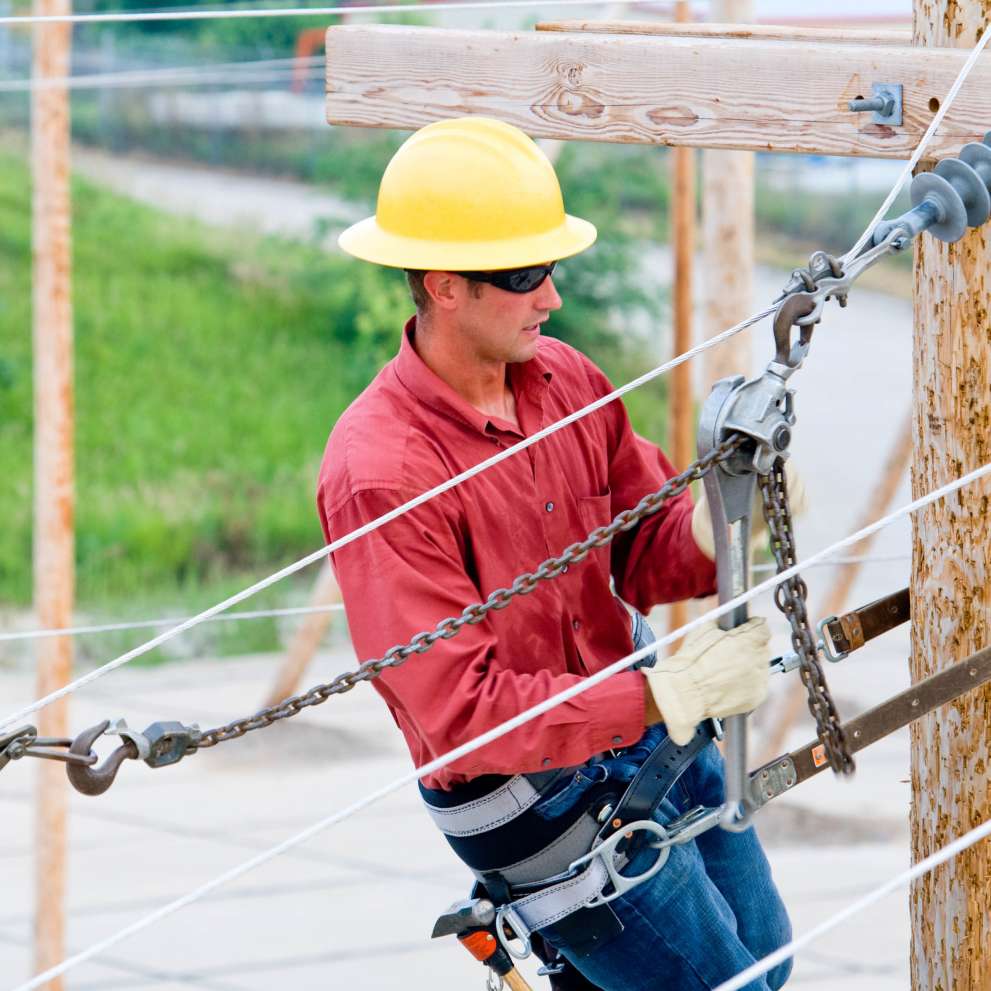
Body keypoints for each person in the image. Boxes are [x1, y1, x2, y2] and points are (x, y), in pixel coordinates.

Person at [317, 116, 792, 990]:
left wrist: (729, 513)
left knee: (767, 960)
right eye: (528, 275)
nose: (552, 298)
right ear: (443, 286)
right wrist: (668, 689)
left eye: (552, 269)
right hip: (521, 791)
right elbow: (460, 713)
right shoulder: (381, 472)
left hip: (640, 722)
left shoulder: (565, 379)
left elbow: (645, 545)